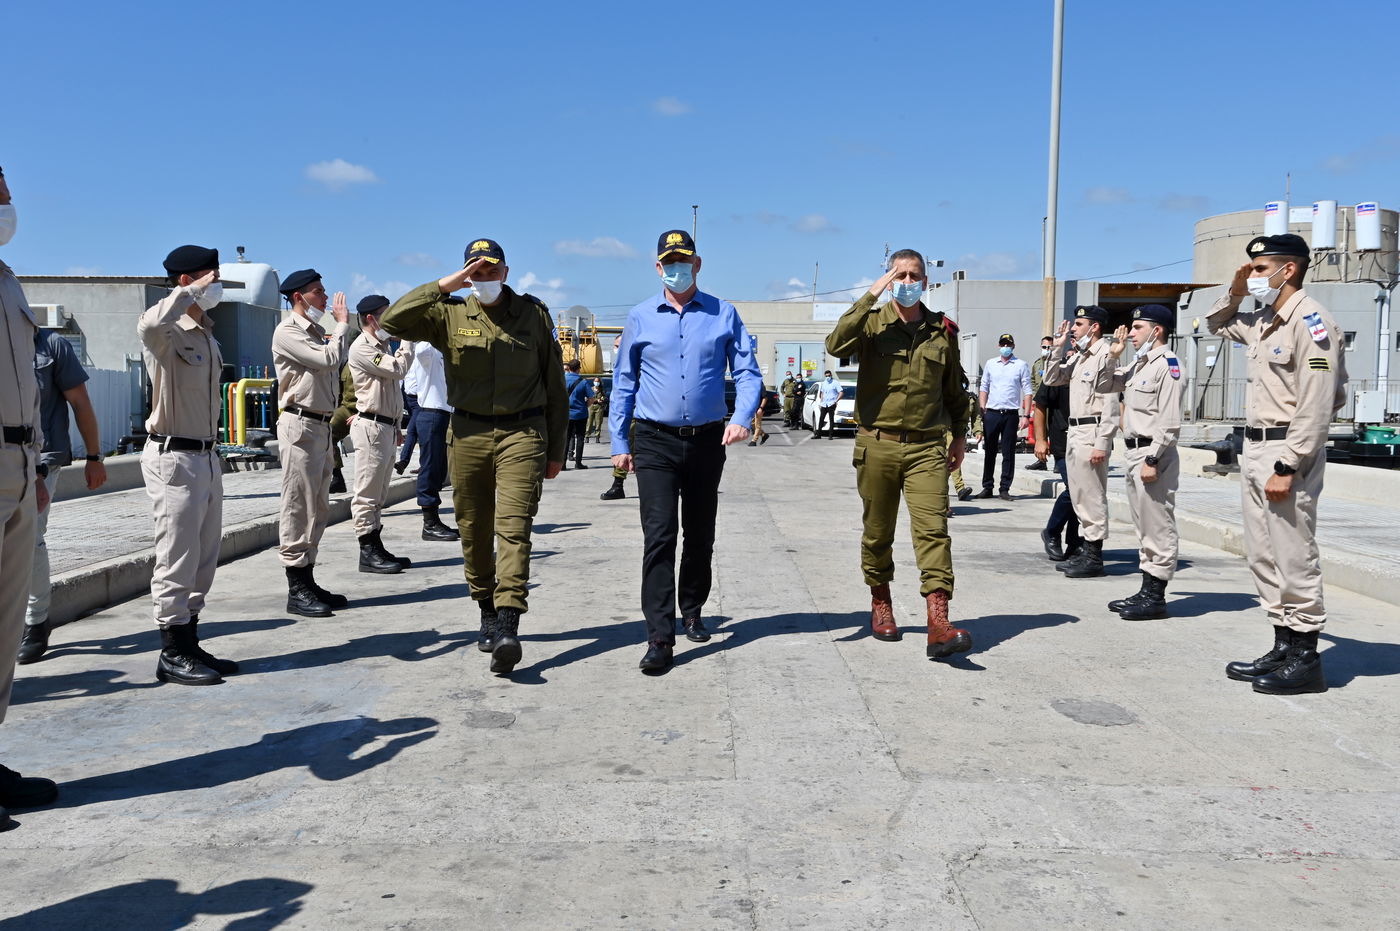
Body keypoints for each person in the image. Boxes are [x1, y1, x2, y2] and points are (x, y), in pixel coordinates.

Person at [380, 238, 567, 676]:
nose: (482, 278)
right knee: (473, 527)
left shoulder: (533, 314)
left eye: (489, 270)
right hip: (467, 432)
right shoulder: (448, 313)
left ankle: (508, 624)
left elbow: (554, 384)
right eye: (474, 271)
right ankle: (485, 607)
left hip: (523, 431)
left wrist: (556, 450)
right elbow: (392, 321)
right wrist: (446, 286)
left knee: (514, 526)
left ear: (505, 272)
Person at [610, 229, 761, 673]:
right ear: (658, 267)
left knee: (700, 532)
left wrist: (740, 417)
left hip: (707, 439)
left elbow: (748, 372)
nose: (677, 269)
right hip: (654, 439)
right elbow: (624, 382)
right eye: (668, 262)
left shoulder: (723, 313)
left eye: (685, 261)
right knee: (659, 535)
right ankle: (660, 635)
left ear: (697, 265)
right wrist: (620, 442)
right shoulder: (640, 317)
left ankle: (692, 607)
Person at [1210, 234, 1347, 694]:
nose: (1253, 276)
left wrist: (1288, 465)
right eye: (1250, 269)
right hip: (1255, 449)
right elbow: (1216, 323)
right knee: (1264, 554)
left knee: (1293, 553)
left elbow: (1317, 402)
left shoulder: (1312, 323)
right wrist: (1235, 288)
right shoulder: (1265, 320)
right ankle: (1283, 644)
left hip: (1288, 449)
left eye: (1259, 269)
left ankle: (1306, 657)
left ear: (1288, 270)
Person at [826, 248, 973, 660]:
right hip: (878, 445)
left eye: (914, 275)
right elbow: (836, 344)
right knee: (878, 534)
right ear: (890, 278)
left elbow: (953, 391)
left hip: (927, 447)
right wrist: (873, 293)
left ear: (926, 280)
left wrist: (959, 437)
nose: (908, 282)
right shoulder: (871, 323)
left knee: (933, 532)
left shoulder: (941, 330)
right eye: (900, 275)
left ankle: (939, 623)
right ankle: (880, 602)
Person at [134, 245, 238, 686]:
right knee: (176, 556)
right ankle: (171, 651)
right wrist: (185, 292)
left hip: (205, 455)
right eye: (208, 278)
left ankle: (189, 641)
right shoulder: (168, 330)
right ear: (186, 281)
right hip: (173, 456)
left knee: (203, 557)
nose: (214, 285)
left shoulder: (205, 333)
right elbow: (150, 322)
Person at [0, 167, 60, 817]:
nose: (9, 199)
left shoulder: (10, 282)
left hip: (17, 462)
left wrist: (36, 465)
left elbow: (27, 387)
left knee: (4, 623)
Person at [20, 327, 107, 664]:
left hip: (41, 459)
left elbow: (80, 402)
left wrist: (94, 457)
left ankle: (36, 622)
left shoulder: (50, 344)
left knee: (29, 539)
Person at [272, 268, 351, 617]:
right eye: (318, 292)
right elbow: (328, 359)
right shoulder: (288, 331)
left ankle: (308, 576)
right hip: (299, 424)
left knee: (318, 506)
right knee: (298, 506)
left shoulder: (318, 332)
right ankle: (296, 586)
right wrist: (344, 325)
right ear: (298, 297)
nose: (324, 297)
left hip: (320, 425)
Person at [1097, 305, 1182, 620]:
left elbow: (1170, 421)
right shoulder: (1139, 364)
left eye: (1136, 328)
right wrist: (1112, 356)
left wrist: (1153, 458)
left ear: (1156, 330)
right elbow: (1105, 385)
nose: (1130, 334)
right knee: (1144, 525)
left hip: (1152, 454)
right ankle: (1147, 589)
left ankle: (1156, 596)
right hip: (1134, 452)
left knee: (1158, 524)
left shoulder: (1168, 365)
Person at [1042, 306, 1117, 578]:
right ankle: (1085, 550)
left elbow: (1111, 405)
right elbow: (1051, 379)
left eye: (1079, 324)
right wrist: (1058, 349)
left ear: (1094, 327)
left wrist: (1103, 443)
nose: (1073, 329)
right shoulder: (1081, 357)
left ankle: (1094, 555)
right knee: (1078, 497)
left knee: (1092, 496)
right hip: (1074, 434)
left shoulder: (1106, 355)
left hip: (1092, 433)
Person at [347, 294, 414, 574]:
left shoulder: (383, 345)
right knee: (367, 492)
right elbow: (398, 370)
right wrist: (409, 338)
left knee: (379, 492)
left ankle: (376, 542)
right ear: (372, 318)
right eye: (387, 315)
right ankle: (367, 548)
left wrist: (397, 425)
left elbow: (391, 394)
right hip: (372, 426)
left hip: (386, 425)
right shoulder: (363, 347)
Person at [405, 340, 457, 540]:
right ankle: (429, 523)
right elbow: (422, 346)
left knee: (439, 470)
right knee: (430, 468)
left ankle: (435, 520)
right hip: (431, 412)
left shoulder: (442, 349)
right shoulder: (426, 349)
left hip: (444, 413)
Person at [1032, 360, 1081, 563]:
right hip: (1063, 441)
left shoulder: (1101, 365)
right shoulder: (1061, 369)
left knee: (1085, 494)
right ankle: (1052, 532)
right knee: (1075, 490)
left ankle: (1074, 542)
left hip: (1091, 442)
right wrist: (1041, 440)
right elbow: (1040, 404)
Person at [976, 333, 1031, 501]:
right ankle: (987, 486)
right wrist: (982, 408)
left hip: (1010, 414)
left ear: (1013, 346)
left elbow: (1027, 391)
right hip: (992, 413)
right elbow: (984, 386)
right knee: (990, 451)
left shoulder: (1021, 365)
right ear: (998, 346)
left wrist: (1026, 415)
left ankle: (1004, 488)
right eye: (1003, 344)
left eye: (1008, 344)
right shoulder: (991, 364)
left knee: (1008, 452)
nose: (1005, 347)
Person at [601, 335, 630, 501]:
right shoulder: (619, 365)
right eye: (615, 346)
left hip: (635, 414)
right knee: (620, 449)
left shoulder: (635, 363)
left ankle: (618, 485)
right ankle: (618, 485)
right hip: (619, 413)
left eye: (619, 346)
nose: (616, 349)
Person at [1025, 335, 1056, 471]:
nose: (1047, 349)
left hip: (1054, 403)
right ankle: (1041, 460)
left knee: (1054, 432)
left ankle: (1058, 462)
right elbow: (1032, 380)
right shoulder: (1037, 364)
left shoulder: (1057, 362)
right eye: (1044, 347)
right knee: (1040, 432)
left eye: (1049, 347)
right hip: (1040, 403)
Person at [327, 364, 355, 495]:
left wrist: (364, 412)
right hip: (347, 408)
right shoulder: (346, 364)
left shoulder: (370, 357)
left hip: (364, 409)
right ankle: (337, 478)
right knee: (326, 432)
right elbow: (341, 391)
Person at [562, 358, 593, 470]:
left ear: (568, 368)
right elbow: (591, 398)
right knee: (580, 438)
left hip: (566, 414)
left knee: (566, 438)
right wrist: (585, 406)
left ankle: (563, 464)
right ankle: (578, 463)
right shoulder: (583, 382)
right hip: (580, 414)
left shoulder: (562, 379)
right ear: (579, 369)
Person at [395, 354, 422, 475]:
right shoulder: (404, 353)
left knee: (412, 430)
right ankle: (424, 465)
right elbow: (400, 376)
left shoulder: (423, 351)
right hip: (407, 398)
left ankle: (403, 462)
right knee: (420, 432)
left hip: (419, 400)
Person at [815, 370, 842, 439]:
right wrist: (821, 402)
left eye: (829, 376)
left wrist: (836, 401)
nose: (828, 377)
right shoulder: (824, 383)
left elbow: (841, 392)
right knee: (821, 419)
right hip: (824, 404)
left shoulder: (835, 383)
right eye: (826, 376)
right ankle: (818, 435)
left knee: (831, 419)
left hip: (831, 404)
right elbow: (822, 393)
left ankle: (830, 435)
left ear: (831, 375)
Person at [585, 377, 605, 442]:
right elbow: (587, 398)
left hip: (599, 407)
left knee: (598, 422)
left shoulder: (601, 390)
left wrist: (602, 399)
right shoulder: (590, 389)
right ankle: (587, 436)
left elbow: (604, 397)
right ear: (593, 382)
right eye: (595, 381)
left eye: (598, 382)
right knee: (589, 422)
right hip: (591, 407)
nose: (596, 383)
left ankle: (597, 437)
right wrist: (596, 400)